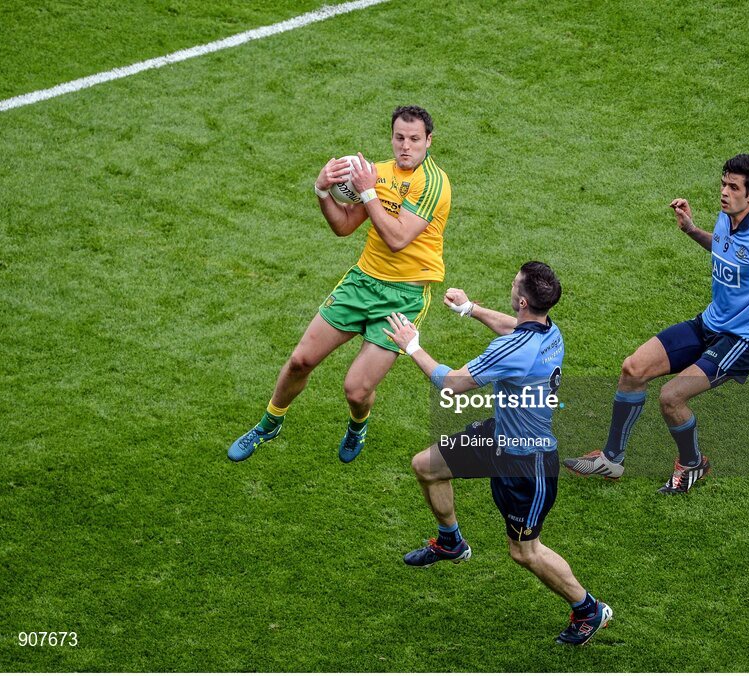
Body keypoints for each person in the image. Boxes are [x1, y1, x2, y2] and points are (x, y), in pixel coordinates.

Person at [565, 154, 749, 492]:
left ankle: (694, 464)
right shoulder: (727, 218)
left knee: (671, 398)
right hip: (710, 323)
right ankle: (611, 461)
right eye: (723, 184)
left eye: (733, 187)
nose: (724, 192)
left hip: (743, 340)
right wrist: (692, 230)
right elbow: (723, 248)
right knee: (633, 369)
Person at [383, 262, 612, 646]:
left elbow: (452, 384)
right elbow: (514, 327)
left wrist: (412, 346)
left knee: (525, 552)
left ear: (523, 300)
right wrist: (469, 309)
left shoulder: (512, 351)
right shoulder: (549, 330)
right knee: (427, 466)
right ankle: (451, 542)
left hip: (527, 465)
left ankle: (589, 608)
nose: (510, 286)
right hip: (497, 437)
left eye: (514, 285)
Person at [228, 105, 451, 463]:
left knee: (356, 389)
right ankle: (269, 424)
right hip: (362, 281)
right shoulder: (377, 173)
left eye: (414, 139)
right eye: (398, 138)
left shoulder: (434, 184)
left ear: (429, 141)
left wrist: (368, 193)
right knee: (301, 359)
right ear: (391, 137)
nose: (405, 147)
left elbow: (397, 239)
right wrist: (322, 192)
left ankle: (357, 425)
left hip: (404, 297)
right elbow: (344, 226)